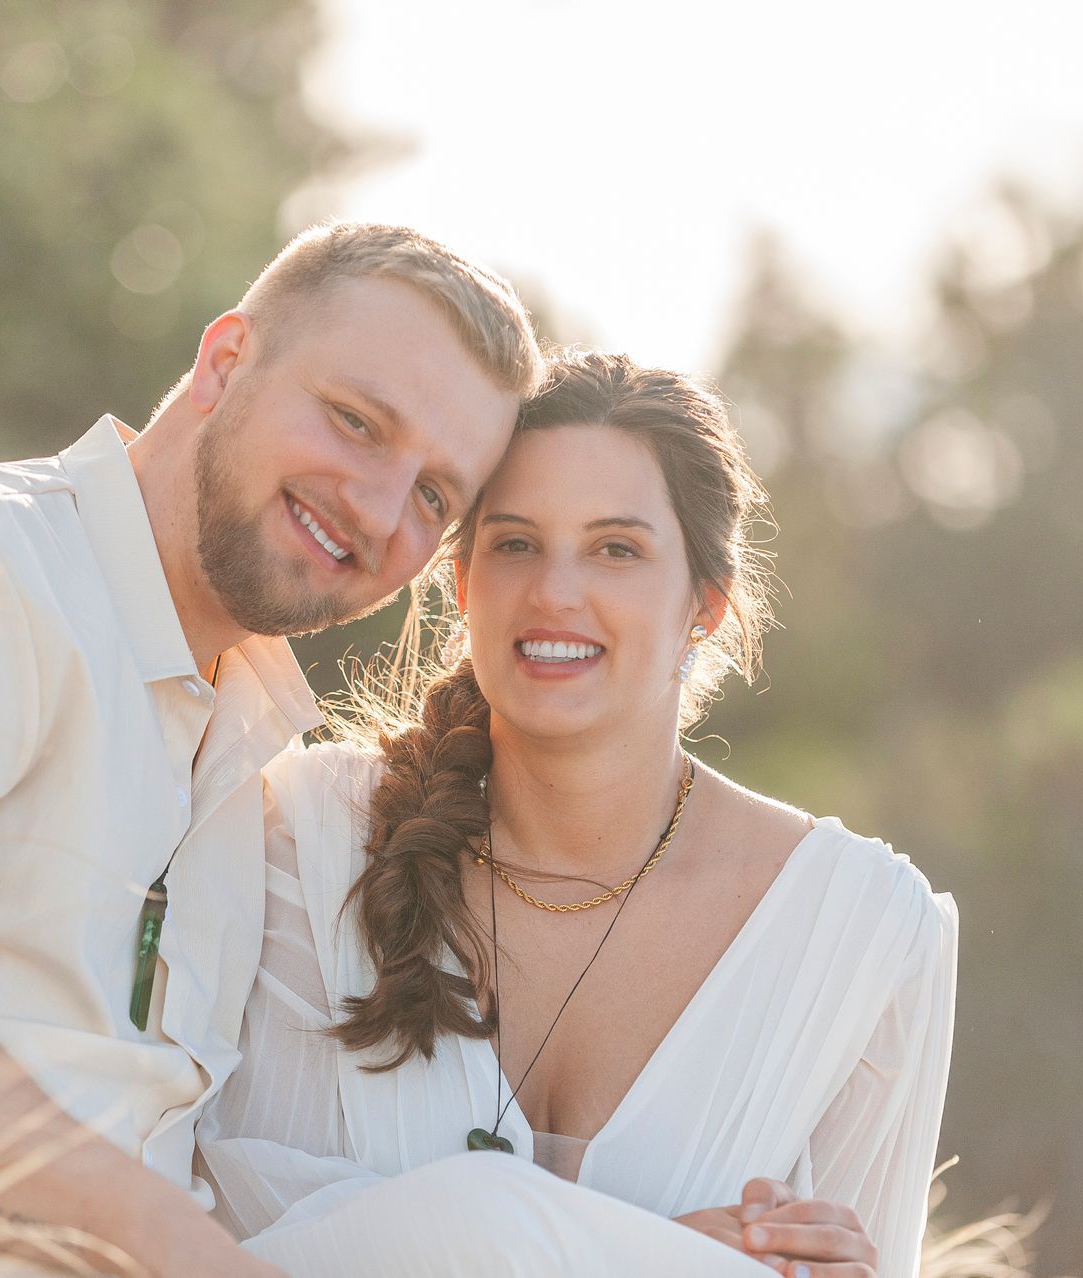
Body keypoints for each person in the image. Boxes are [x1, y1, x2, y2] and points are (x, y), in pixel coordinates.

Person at [0, 223, 541, 1277]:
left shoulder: (256, 752)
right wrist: (185, 1257)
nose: (378, 510)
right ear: (225, 362)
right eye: (357, 422)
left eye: (433, 496)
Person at [199, 351, 959, 1277]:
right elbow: (207, 1232)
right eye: (515, 542)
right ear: (465, 585)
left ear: (706, 606)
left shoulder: (866, 933)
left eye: (616, 549)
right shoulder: (297, 836)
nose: (556, 591)